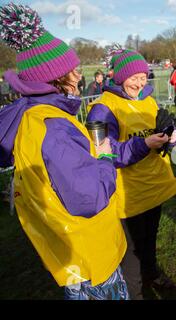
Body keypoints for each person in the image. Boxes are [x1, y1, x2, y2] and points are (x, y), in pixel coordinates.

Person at [0, 3, 128, 300]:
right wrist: (106, 157)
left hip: (65, 250)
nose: (78, 74)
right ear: (58, 77)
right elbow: (90, 196)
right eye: (72, 69)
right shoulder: (53, 126)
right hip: (90, 257)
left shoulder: (33, 117)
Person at [86, 49, 176, 300]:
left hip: (154, 186)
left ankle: (152, 274)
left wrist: (170, 137)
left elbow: (157, 133)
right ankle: (135, 292)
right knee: (132, 252)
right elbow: (103, 153)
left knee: (149, 239)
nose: (139, 83)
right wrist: (144, 144)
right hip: (129, 195)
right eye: (133, 77)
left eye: (142, 76)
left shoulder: (147, 99)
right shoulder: (102, 109)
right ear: (119, 77)